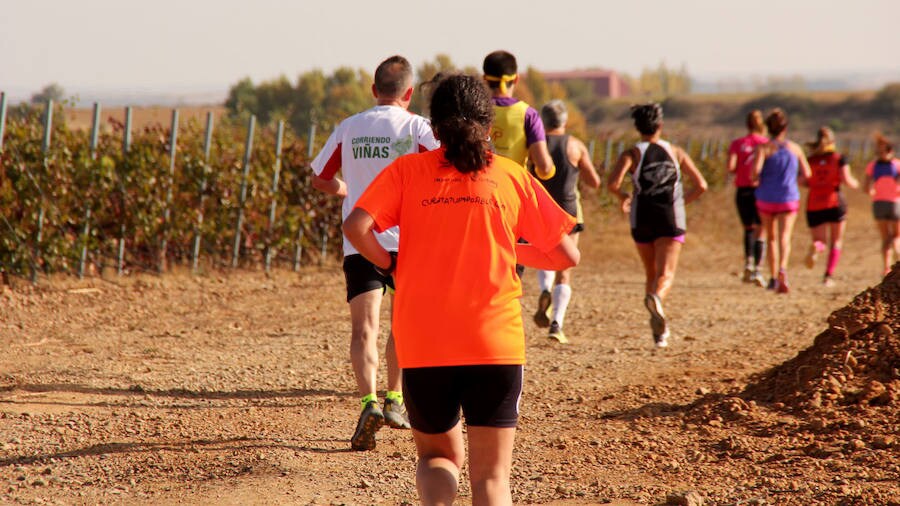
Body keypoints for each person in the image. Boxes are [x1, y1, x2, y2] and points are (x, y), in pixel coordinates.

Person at [342, 74, 579, 505]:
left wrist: (388, 262)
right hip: (495, 344)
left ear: (434, 128)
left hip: (425, 343)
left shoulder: (407, 172)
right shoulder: (510, 176)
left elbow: (355, 227)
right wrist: (507, 249)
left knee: (437, 459)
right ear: (489, 127)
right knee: (491, 479)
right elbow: (566, 256)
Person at [310, 55, 440, 451]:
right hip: (407, 243)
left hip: (360, 242)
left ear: (373, 90)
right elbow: (444, 167)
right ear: (410, 92)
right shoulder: (418, 127)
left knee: (364, 328)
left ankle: (369, 402)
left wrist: (346, 191)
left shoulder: (349, 127)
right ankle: (395, 399)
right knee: (402, 325)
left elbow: (319, 177)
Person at [607, 103, 708, 348]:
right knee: (666, 274)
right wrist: (682, 202)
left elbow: (612, 183)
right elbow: (702, 185)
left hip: (641, 218)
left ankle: (659, 333)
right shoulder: (676, 152)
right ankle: (657, 299)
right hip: (671, 217)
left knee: (651, 273)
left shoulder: (631, 154)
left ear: (637, 127)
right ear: (660, 126)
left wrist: (624, 198)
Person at [531, 99, 601, 344]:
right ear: (564, 121)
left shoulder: (534, 146)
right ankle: (557, 323)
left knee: (544, 255)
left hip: (540, 210)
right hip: (569, 209)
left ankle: (544, 289)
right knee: (565, 269)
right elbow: (594, 181)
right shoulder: (575, 145)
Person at [752, 108, 812, 293]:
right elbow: (808, 173)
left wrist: (759, 180)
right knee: (785, 236)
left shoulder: (763, 148)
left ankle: (771, 277)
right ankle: (782, 270)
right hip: (789, 197)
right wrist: (795, 181)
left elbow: (755, 172)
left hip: (766, 197)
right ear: (785, 128)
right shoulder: (795, 148)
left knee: (770, 237)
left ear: (768, 128)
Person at [802, 126, 859, 286]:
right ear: (833, 141)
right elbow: (847, 180)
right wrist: (856, 184)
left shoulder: (810, 160)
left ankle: (816, 247)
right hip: (834, 202)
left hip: (814, 202)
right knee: (836, 242)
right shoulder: (839, 158)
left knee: (821, 240)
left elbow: (803, 180)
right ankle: (828, 276)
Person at [727, 110, 769, 286]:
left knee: (748, 228)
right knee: (762, 230)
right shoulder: (766, 143)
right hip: (762, 191)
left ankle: (748, 263)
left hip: (742, 190)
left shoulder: (737, 143)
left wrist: (742, 172)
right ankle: (758, 270)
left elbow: (731, 167)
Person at [863, 134, 900, 276]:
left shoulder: (872, 166)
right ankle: (898, 259)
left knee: (885, 238)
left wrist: (874, 192)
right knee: (896, 236)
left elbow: (866, 188)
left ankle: (886, 267)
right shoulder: (897, 164)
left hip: (878, 203)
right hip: (895, 203)